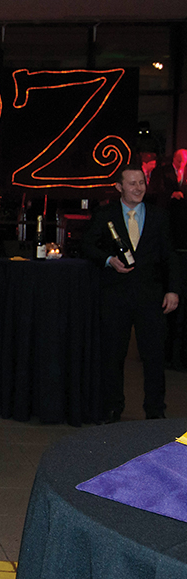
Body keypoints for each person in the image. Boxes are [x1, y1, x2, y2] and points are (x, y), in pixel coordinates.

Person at [82, 164, 180, 422]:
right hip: (115, 297)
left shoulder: (160, 216)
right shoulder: (105, 215)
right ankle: (112, 407)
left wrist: (173, 290)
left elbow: (170, 256)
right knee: (113, 355)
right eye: (132, 183)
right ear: (119, 187)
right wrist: (108, 260)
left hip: (151, 297)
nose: (138, 188)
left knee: (154, 356)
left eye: (142, 183)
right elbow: (87, 245)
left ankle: (155, 410)